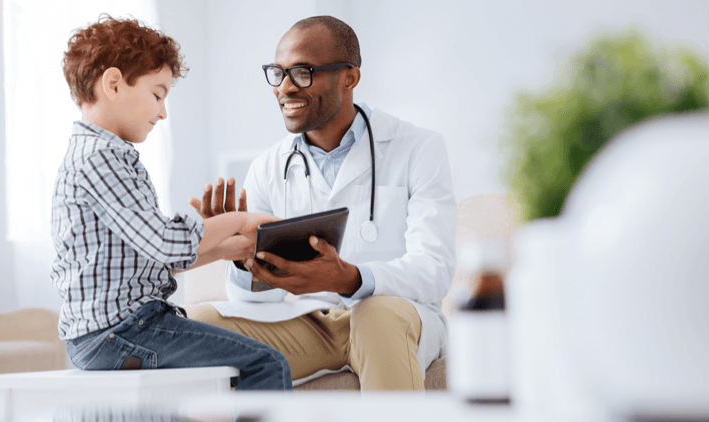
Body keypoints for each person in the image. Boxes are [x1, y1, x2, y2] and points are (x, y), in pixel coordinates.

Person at [188, 16, 456, 390]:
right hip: (311, 323)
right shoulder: (268, 167)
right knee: (201, 323)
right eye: (278, 73)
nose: (284, 87)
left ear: (349, 77)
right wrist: (238, 253)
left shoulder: (418, 148)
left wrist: (351, 278)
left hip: (395, 313)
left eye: (302, 72)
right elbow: (253, 299)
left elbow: (434, 269)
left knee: (376, 316)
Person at [50, 15, 292, 391]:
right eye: (158, 94)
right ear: (113, 84)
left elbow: (150, 260)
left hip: (108, 333)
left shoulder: (98, 154)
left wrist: (231, 250)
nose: (163, 112)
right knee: (264, 364)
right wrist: (241, 220)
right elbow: (165, 243)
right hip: (121, 331)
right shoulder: (103, 158)